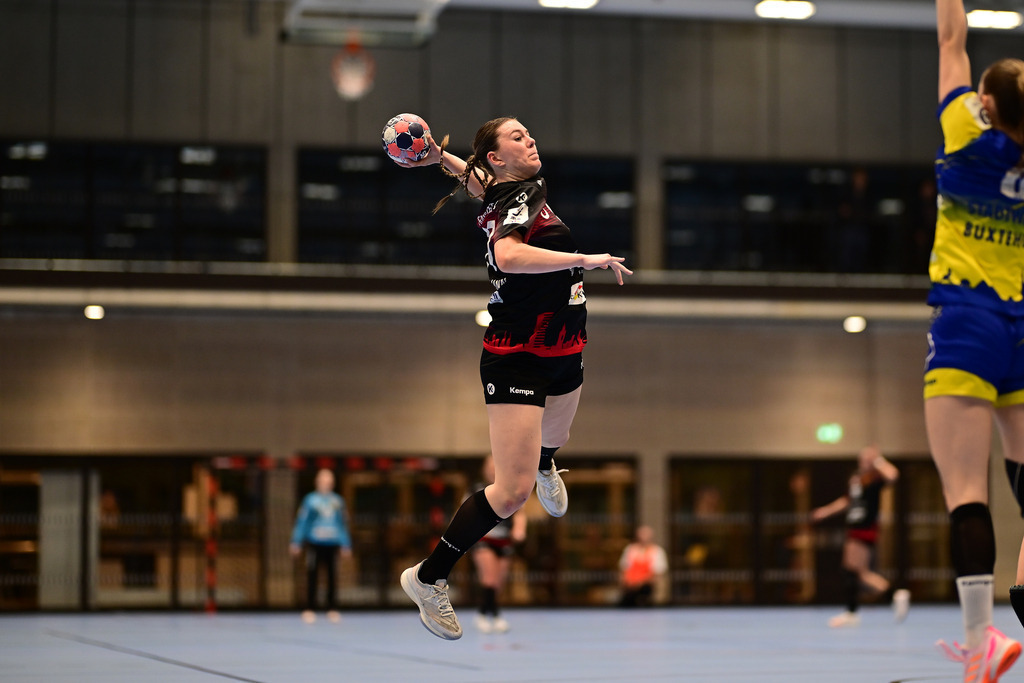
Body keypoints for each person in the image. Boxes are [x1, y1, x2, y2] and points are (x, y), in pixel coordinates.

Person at [391, 116, 632, 640]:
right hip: (518, 353)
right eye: (518, 137)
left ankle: (547, 463)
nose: (531, 139)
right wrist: (585, 258)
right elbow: (509, 254)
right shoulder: (519, 195)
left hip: (564, 343)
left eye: (529, 133)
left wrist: (440, 158)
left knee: (557, 435)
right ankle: (428, 578)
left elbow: (482, 182)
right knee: (511, 492)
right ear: (498, 157)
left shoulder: (508, 190)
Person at [926, 0, 1024, 679]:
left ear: (986, 104)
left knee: (966, 487)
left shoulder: (965, 129)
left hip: (967, 321)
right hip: (1022, 325)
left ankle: (981, 640)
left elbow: (951, 39)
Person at [810, 445, 909, 627]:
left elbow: (893, 475)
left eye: (869, 459)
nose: (864, 461)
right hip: (855, 525)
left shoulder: (875, 478)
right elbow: (847, 501)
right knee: (859, 573)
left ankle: (856, 611)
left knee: (850, 570)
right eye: (863, 458)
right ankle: (892, 595)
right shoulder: (857, 479)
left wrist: (878, 461)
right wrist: (825, 511)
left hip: (865, 527)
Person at [470, 455, 527, 633]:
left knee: (498, 583)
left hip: (504, 540)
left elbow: (519, 513)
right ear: (484, 469)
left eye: (496, 466)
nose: (493, 469)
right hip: (484, 539)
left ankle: (486, 613)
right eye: (489, 466)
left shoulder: (511, 488)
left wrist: (519, 529)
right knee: (489, 578)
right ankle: (491, 616)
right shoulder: (476, 489)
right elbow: (464, 511)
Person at [289, 468, 352, 624]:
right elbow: (302, 522)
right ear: (317, 482)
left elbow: (342, 524)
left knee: (332, 576)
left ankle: (332, 608)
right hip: (315, 543)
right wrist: (296, 541)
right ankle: (310, 608)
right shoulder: (310, 500)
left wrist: (345, 543)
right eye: (323, 480)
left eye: (329, 481)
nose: (326, 483)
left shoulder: (338, 501)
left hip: (332, 543)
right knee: (312, 575)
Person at [618, 525, 668, 607]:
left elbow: (658, 573)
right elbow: (623, 569)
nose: (643, 538)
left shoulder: (657, 551)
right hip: (630, 585)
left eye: (646, 535)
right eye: (641, 535)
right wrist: (627, 582)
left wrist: (641, 583)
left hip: (647, 585)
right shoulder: (630, 549)